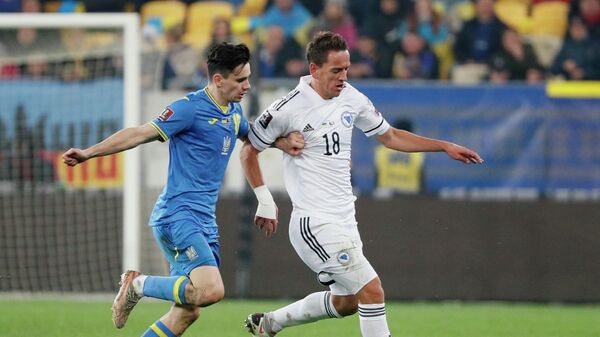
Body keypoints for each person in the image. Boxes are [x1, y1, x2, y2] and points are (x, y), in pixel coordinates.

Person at [240, 31, 483, 337]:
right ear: (314, 70)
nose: (343, 77)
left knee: (347, 302)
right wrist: (265, 198)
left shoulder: (352, 98)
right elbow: (249, 148)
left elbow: (390, 136)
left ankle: (270, 323)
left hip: (345, 220)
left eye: (347, 69)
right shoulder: (287, 108)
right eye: (336, 71)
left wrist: (444, 145)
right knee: (372, 291)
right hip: (314, 222)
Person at [62, 42, 302, 337]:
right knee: (211, 290)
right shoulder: (188, 109)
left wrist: (281, 142)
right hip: (178, 215)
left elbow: (249, 133)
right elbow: (139, 133)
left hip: (203, 221)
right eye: (240, 79)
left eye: (248, 78)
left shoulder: (234, 111)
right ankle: (137, 284)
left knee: (188, 311)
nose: (247, 86)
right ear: (218, 79)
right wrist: (88, 153)